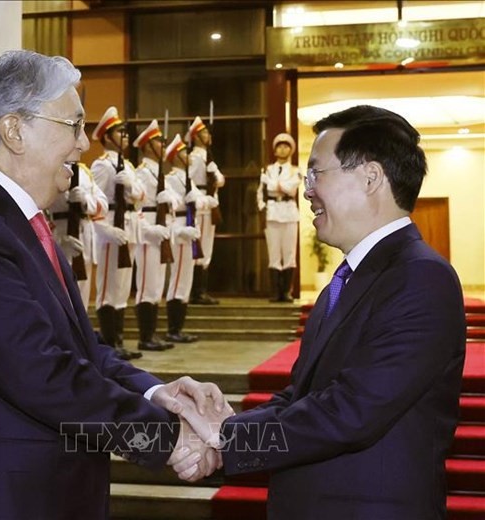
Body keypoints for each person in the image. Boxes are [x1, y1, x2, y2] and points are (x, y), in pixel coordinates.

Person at [0, 50, 231, 520]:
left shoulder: (7, 218)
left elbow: (80, 352)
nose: (82, 146)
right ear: (14, 130)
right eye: (73, 126)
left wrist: (158, 393)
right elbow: (38, 372)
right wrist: (165, 439)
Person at [214, 105, 466, 519]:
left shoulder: (421, 278)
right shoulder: (348, 279)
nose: (307, 189)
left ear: (370, 177)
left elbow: (351, 411)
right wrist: (225, 423)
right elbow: (303, 395)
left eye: (316, 173)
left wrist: (224, 440)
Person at [91, 106, 145, 360]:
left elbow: (141, 197)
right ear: (107, 136)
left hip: (130, 227)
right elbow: (96, 199)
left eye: (124, 132)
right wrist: (106, 230)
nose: (125, 136)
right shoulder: (101, 165)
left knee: (123, 287)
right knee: (108, 288)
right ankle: (109, 343)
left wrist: (131, 185)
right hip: (112, 225)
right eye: (119, 132)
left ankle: (120, 340)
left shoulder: (129, 165)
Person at [132, 119, 179, 351]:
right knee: (146, 286)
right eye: (159, 140)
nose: (163, 144)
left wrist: (169, 200)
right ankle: (144, 336)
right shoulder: (141, 173)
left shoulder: (161, 172)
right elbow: (134, 207)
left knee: (157, 285)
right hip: (148, 232)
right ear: (147, 145)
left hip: (162, 231)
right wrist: (148, 230)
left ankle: (152, 334)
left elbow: (175, 200)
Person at [49, 162, 108, 309]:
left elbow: (103, 206)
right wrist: (56, 239)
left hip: (85, 233)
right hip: (60, 232)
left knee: (82, 295)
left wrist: (86, 201)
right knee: (62, 295)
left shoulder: (84, 171)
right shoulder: (49, 164)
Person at [163, 134, 204, 343]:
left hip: (190, 229)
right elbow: (170, 205)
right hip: (179, 230)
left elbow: (198, 200)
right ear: (175, 156)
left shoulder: (188, 179)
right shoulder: (171, 178)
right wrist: (179, 230)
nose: (187, 155)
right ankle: (172, 328)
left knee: (185, 281)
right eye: (183, 152)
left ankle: (179, 327)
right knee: (178, 280)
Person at [257, 132, 302, 302]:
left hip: (289, 213)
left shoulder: (296, 170)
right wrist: (263, 206)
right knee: (274, 254)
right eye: (279, 146)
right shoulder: (267, 170)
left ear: (291, 151)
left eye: (286, 146)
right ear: (275, 151)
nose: (282, 149)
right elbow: (260, 192)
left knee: (289, 254)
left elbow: (291, 189)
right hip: (272, 212)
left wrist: (273, 184)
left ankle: (286, 292)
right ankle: (275, 292)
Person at [186, 116, 224, 305]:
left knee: (207, 248)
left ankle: (202, 290)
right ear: (195, 137)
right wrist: (201, 199)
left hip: (211, 205)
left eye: (207, 132)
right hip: (201, 205)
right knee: (198, 248)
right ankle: (195, 291)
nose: (207, 135)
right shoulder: (193, 157)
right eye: (203, 133)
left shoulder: (208, 157)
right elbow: (189, 181)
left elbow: (221, 180)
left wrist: (213, 174)